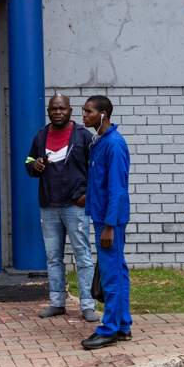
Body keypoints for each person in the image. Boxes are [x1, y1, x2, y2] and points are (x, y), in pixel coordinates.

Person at [26, 94, 98, 321]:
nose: (58, 112)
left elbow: (97, 170)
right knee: (53, 258)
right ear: (48, 111)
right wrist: (35, 165)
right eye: (53, 109)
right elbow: (29, 162)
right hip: (49, 206)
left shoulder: (84, 136)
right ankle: (57, 303)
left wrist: (87, 195)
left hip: (75, 206)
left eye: (62, 108)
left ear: (70, 110)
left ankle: (87, 305)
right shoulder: (40, 136)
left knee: (83, 256)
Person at [81, 95, 132, 350]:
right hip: (103, 217)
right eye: (83, 111)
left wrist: (109, 226)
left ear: (103, 114)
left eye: (88, 112)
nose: (84, 116)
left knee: (111, 275)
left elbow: (117, 189)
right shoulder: (100, 142)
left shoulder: (114, 144)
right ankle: (123, 325)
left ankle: (108, 330)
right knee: (117, 270)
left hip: (109, 221)